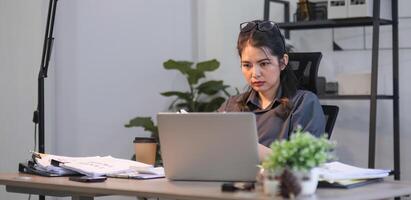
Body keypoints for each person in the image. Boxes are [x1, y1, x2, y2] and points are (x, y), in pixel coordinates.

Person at [218, 20, 325, 161]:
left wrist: (245, 147)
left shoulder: (304, 104)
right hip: (234, 181)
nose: (255, 73)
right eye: (247, 65)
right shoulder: (231, 106)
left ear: (283, 62)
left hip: (281, 182)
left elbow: (303, 163)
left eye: (264, 63)